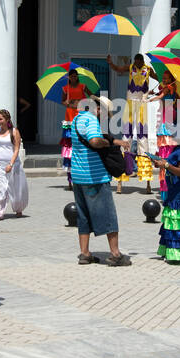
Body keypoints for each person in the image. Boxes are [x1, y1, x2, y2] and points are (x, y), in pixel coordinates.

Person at [70, 97, 132, 264]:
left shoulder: (77, 119)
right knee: (108, 214)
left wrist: (114, 141)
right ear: (97, 109)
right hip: (95, 177)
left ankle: (84, 253)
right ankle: (116, 254)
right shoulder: (91, 120)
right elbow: (95, 141)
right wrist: (106, 143)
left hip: (77, 176)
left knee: (83, 215)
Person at [108, 53, 158, 191]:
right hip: (130, 104)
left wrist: (156, 88)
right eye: (136, 60)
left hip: (142, 104)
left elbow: (158, 78)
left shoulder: (148, 69)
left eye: (139, 60)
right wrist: (111, 63)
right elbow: (118, 69)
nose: (137, 62)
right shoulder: (130, 67)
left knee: (143, 138)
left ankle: (147, 182)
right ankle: (120, 181)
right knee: (126, 137)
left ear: (142, 61)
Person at [151, 136, 180, 264]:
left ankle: (177, 253)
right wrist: (160, 162)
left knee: (175, 220)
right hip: (173, 189)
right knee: (169, 219)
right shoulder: (177, 149)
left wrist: (166, 165)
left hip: (179, 190)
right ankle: (168, 249)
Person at [0, 108, 29, 220]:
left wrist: (11, 164)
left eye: (1, 119)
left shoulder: (14, 131)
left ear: (7, 119)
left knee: (15, 188)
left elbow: (16, 149)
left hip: (12, 165)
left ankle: (18, 208)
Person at [59, 71, 89, 190]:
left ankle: (83, 177)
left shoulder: (83, 86)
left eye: (75, 76)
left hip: (81, 115)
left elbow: (91, 96)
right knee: (70, 147)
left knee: (83, 143)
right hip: (70, 117)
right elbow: (62, 101)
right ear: (69, 77)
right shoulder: (65, 88)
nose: (73, 77)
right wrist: (66, 102)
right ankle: (70, 180)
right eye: (71, 76)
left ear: (77, 77)